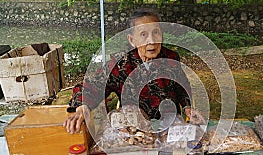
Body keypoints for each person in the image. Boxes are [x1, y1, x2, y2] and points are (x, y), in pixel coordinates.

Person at [63, 9, 205, 134]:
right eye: (143, 34)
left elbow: (181, 87)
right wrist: (82, 106)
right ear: (132, 40)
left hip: (170, 130)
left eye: (156, 32)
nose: (152, 41)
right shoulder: (121, 64)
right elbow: (90, 86)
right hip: (134, 133)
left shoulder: (171, 58)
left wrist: (187, 107)